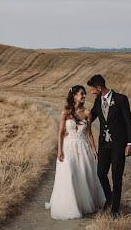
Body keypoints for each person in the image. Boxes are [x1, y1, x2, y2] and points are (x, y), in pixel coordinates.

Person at [45, 85, 107, 219]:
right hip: (68, 147)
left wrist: (94, 150)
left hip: (83, 147)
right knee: (70, 175)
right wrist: (59, 150)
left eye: (84, 94)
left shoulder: (87, 113)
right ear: (74, 96)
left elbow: (89, 133)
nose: (84, 96)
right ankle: (70, 206)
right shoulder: (65, 112)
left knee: (83, 174)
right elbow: (61, 133)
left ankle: (83, 203)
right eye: (81, 94)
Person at [87, 74, 131, 217]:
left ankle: (114, 210)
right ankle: (110, 198)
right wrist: (74, 119)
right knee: (101, 173)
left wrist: (130, 143)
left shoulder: (121, 99)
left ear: (99, 87)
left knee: (116, 176)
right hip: (104, 145)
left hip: (119, 145)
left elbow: (129, 122)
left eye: (92, 89)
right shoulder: (97, 101)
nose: (91, 92)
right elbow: (91, 117)